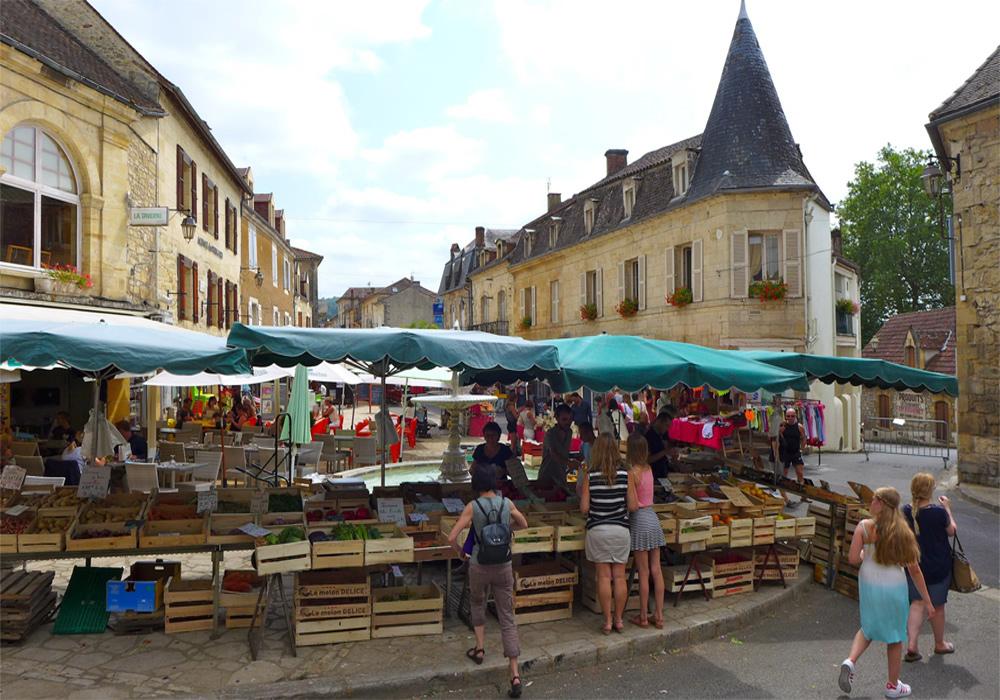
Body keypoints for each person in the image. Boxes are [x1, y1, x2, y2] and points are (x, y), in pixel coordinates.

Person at [838, 487, 936, 699]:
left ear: (881, 504)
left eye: (874, 499)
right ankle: (892, 686)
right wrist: (928, 601)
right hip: (894, 586)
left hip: (869, 582)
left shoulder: (864, 527)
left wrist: (865, 553)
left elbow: (853, 559)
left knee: (868, 627)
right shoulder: (903, 532)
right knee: (895, 636)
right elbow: (915, 570)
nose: (871, 501)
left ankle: (850, 661)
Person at [447, 463, 528, 698]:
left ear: (476, 484)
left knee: (477, 603)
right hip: (503, 564)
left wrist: (462, 551)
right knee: (507, 616)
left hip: (479, 564)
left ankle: (480, 649)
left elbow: (452, 536)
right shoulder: (506, 503)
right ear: (494, 482)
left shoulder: (473, 506)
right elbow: (524, 524)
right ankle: (514, 673)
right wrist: (505, 529)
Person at [581, 433, 635, 634]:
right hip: (620, 530)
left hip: (598, 530)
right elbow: (633, 505)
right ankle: (620, 620)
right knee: (619, 577)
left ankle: (607, 621)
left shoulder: (590, 475)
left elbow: (585, 508)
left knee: (603, 577)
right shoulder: (625, 474)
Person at [903, 473, 957, 662]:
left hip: (913, 564)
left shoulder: (905, 510)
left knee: (916, 604)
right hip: (938, 565)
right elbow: (952, 531)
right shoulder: (938, 512)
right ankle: (940, 643)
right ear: (930, 491)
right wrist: (948, 509)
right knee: (938, 606)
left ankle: (912, 644)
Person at [626, 432, 665, 629]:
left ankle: (642, 616)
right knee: (656, 570)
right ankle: (659, 615)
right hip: (653, 518)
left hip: (640, 520)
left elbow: (632, 505)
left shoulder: (632, 473)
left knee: (643, 572)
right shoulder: (649, 469)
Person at [537, 404, 578, 489]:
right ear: (556, 418)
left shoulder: (569, 432)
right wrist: (568, 463)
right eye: (564, 419)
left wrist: (572, 461)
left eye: (570, 419)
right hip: (547, 476)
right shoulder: (550, 434)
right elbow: (553, 453)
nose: (568, 422)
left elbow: (564, 452)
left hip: (561, 476)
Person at [778, 408, 805, 485]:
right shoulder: (783, 426)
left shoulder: (799, 427)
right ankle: (782, 492)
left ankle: (802, 490)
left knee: (800, 472)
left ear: (795, 416)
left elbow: (803, 438)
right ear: (785, 416)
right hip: (785, 452)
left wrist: (802, 449)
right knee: (784, 473)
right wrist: (780, 431)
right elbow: (776, 438)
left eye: (792, 416)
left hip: (795, 452)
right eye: (788, 416)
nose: (790, 418)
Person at [644, 413, 673, 479]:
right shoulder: (649, 436)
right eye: (666, 425)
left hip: (662, 473)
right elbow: (647, 459)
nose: (667, 429)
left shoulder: (660, 435)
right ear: (659, 422)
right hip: (653, 475)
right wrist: (665, 452)